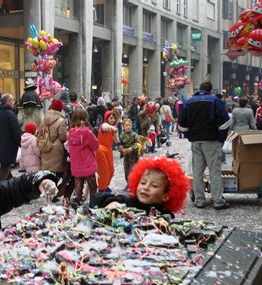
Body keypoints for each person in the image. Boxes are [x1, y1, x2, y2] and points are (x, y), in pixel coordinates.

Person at [178, 82, 230, 210]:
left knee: (197, 171)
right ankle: (218, 201)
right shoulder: (215, 101)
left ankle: (199, 200)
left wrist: (190, 136)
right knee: (214, 171)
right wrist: (221, 138)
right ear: (210, 90)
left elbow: (181, 125)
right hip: (211, 140)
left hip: (196, 142)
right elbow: (226, 122)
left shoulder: (188, 102)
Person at [90, 157, 190, 218]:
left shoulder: (164, 216)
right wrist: (112, 202)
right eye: (142, 183)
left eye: (154, 185)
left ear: (166, 196)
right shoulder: (130, 202)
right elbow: (98, 198)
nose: (146, 188)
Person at [67, 108, 99, 204]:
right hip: (88, 164)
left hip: (76, 164)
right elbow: (95, 146)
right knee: (93, 186)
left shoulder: (70, 133)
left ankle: (75, 203)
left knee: (78, 187)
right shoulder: (87, 132)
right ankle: (93, 205)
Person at [0, 94, 22, 182]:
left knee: (5, 166)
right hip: (8, 146)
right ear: (8, 102)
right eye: (12, 101)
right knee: (5, 167)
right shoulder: (10, 114)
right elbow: (16, 131)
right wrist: (20, 142)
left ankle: (10, 183)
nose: (13, 103)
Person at [40, 99, 68, 177]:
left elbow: (40, 132)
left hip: (45, 145)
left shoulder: (44, 118)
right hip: (56, 148)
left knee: (47, 172)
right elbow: (63, 137)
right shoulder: (61, 120)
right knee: (56, 172)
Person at [96, 111, 119, 192]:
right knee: (103, 170)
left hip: (108, 150)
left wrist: (116, 133)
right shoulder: (104, 125)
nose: (112, 120)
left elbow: (116, 141)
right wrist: (112, 128)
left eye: (114, 118)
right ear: (107, 119)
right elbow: (105, 127)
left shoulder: (112, 128)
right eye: (110, 118)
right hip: (100, 150)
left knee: (111, 170)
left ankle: (105, 186)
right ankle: (102, 188)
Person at [118, 118, 142, 188]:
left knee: (133, 170)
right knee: (126, 171)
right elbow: (119, 144)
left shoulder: (134, 135)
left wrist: (131, 149)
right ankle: (128, 184)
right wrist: (121, 149)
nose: (128, 127)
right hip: (126, 157)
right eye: (126, 125)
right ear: (123, 126)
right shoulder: (121, 135)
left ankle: (133, 185)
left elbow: (139, 144)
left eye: (130, 125)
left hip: (134, 157)